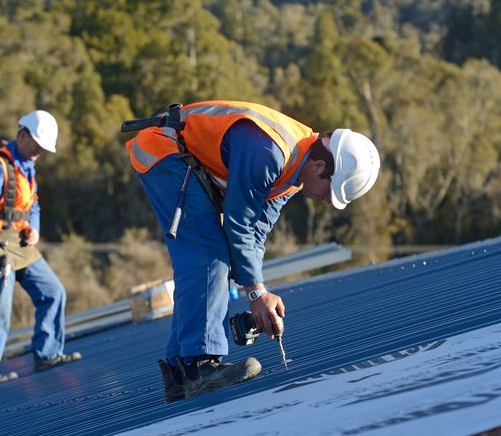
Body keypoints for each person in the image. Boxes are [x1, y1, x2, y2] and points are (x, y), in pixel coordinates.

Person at [126, 100, 380, 402]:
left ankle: (179, 372)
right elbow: (238, 225)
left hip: (181, 155)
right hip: (163, 149)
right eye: (330, 190)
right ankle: (199, 365)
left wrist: (259, 291)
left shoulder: (293, 175)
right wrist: (256, 294)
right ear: (320, 166)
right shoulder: (269, 151)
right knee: (207, 251)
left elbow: (254, 235)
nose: (326, 200)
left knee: (209, 255)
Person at [0, 110, 81, 390]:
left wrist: (34, 227)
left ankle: (47, 354)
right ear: (22, 135)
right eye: (38, 145)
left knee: (53, 293)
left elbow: (35, 204)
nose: (41, 151)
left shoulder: (28, 166)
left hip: (21, 242)